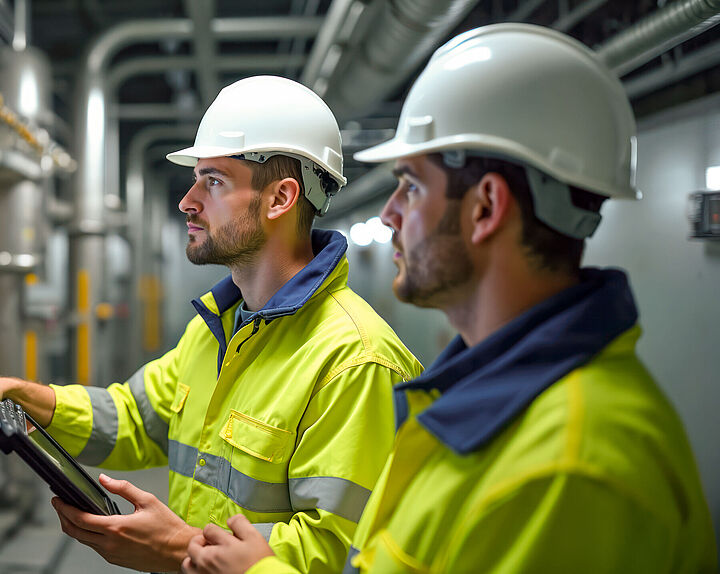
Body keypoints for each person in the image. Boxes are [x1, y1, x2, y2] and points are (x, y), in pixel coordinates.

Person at [183, 24, 717, 574]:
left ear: (485, 207)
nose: (389, 214)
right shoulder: (477, 401)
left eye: (411, 186)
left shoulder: (571, 466)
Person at [0, 75, 422, 572]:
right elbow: (135, 419)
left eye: (212, 182)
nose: (187, 201)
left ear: (281, 198)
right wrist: (15, 393)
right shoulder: (221, 326)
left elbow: (346, 555)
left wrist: (177, 547)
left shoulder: (356, 362)